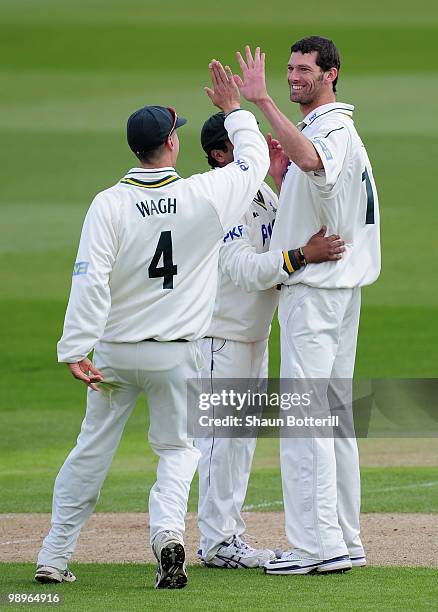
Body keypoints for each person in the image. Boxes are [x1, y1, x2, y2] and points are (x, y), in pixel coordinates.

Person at [34, 59, 271, 590]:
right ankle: (168, 539)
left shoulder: (108, 203)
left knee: (90, 450)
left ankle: (53, 555)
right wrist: (234, 111)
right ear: (171, 143)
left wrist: (75, 346)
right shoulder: (204, 195)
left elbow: (89, 279)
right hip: (177, 354)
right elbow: (253, 163)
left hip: (115, 351)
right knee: (178, 451)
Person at [232, 38, 381, 575]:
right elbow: (320, 188)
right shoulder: (331, 127)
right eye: (290, 69)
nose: (295, 77)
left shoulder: (332, 128)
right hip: (337, 290)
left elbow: (317, 162)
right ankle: (344, 539)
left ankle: (316, 548)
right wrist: (280, 175)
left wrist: (262, 102)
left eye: (304, 70)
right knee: (333, 417)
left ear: (331, 74)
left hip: (316, 292)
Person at [196, 112, 347, 569]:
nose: (257, 149)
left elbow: (281, 233)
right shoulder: (219, 201)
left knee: (238, 443)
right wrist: (302, 255)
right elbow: (243, 268)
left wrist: (282, 181)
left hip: (252, 336)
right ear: (221, 155)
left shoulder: (259, 191)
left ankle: (226, 539)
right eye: (240, 144)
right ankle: (218, 542)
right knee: (221, 444)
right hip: (219, 338)